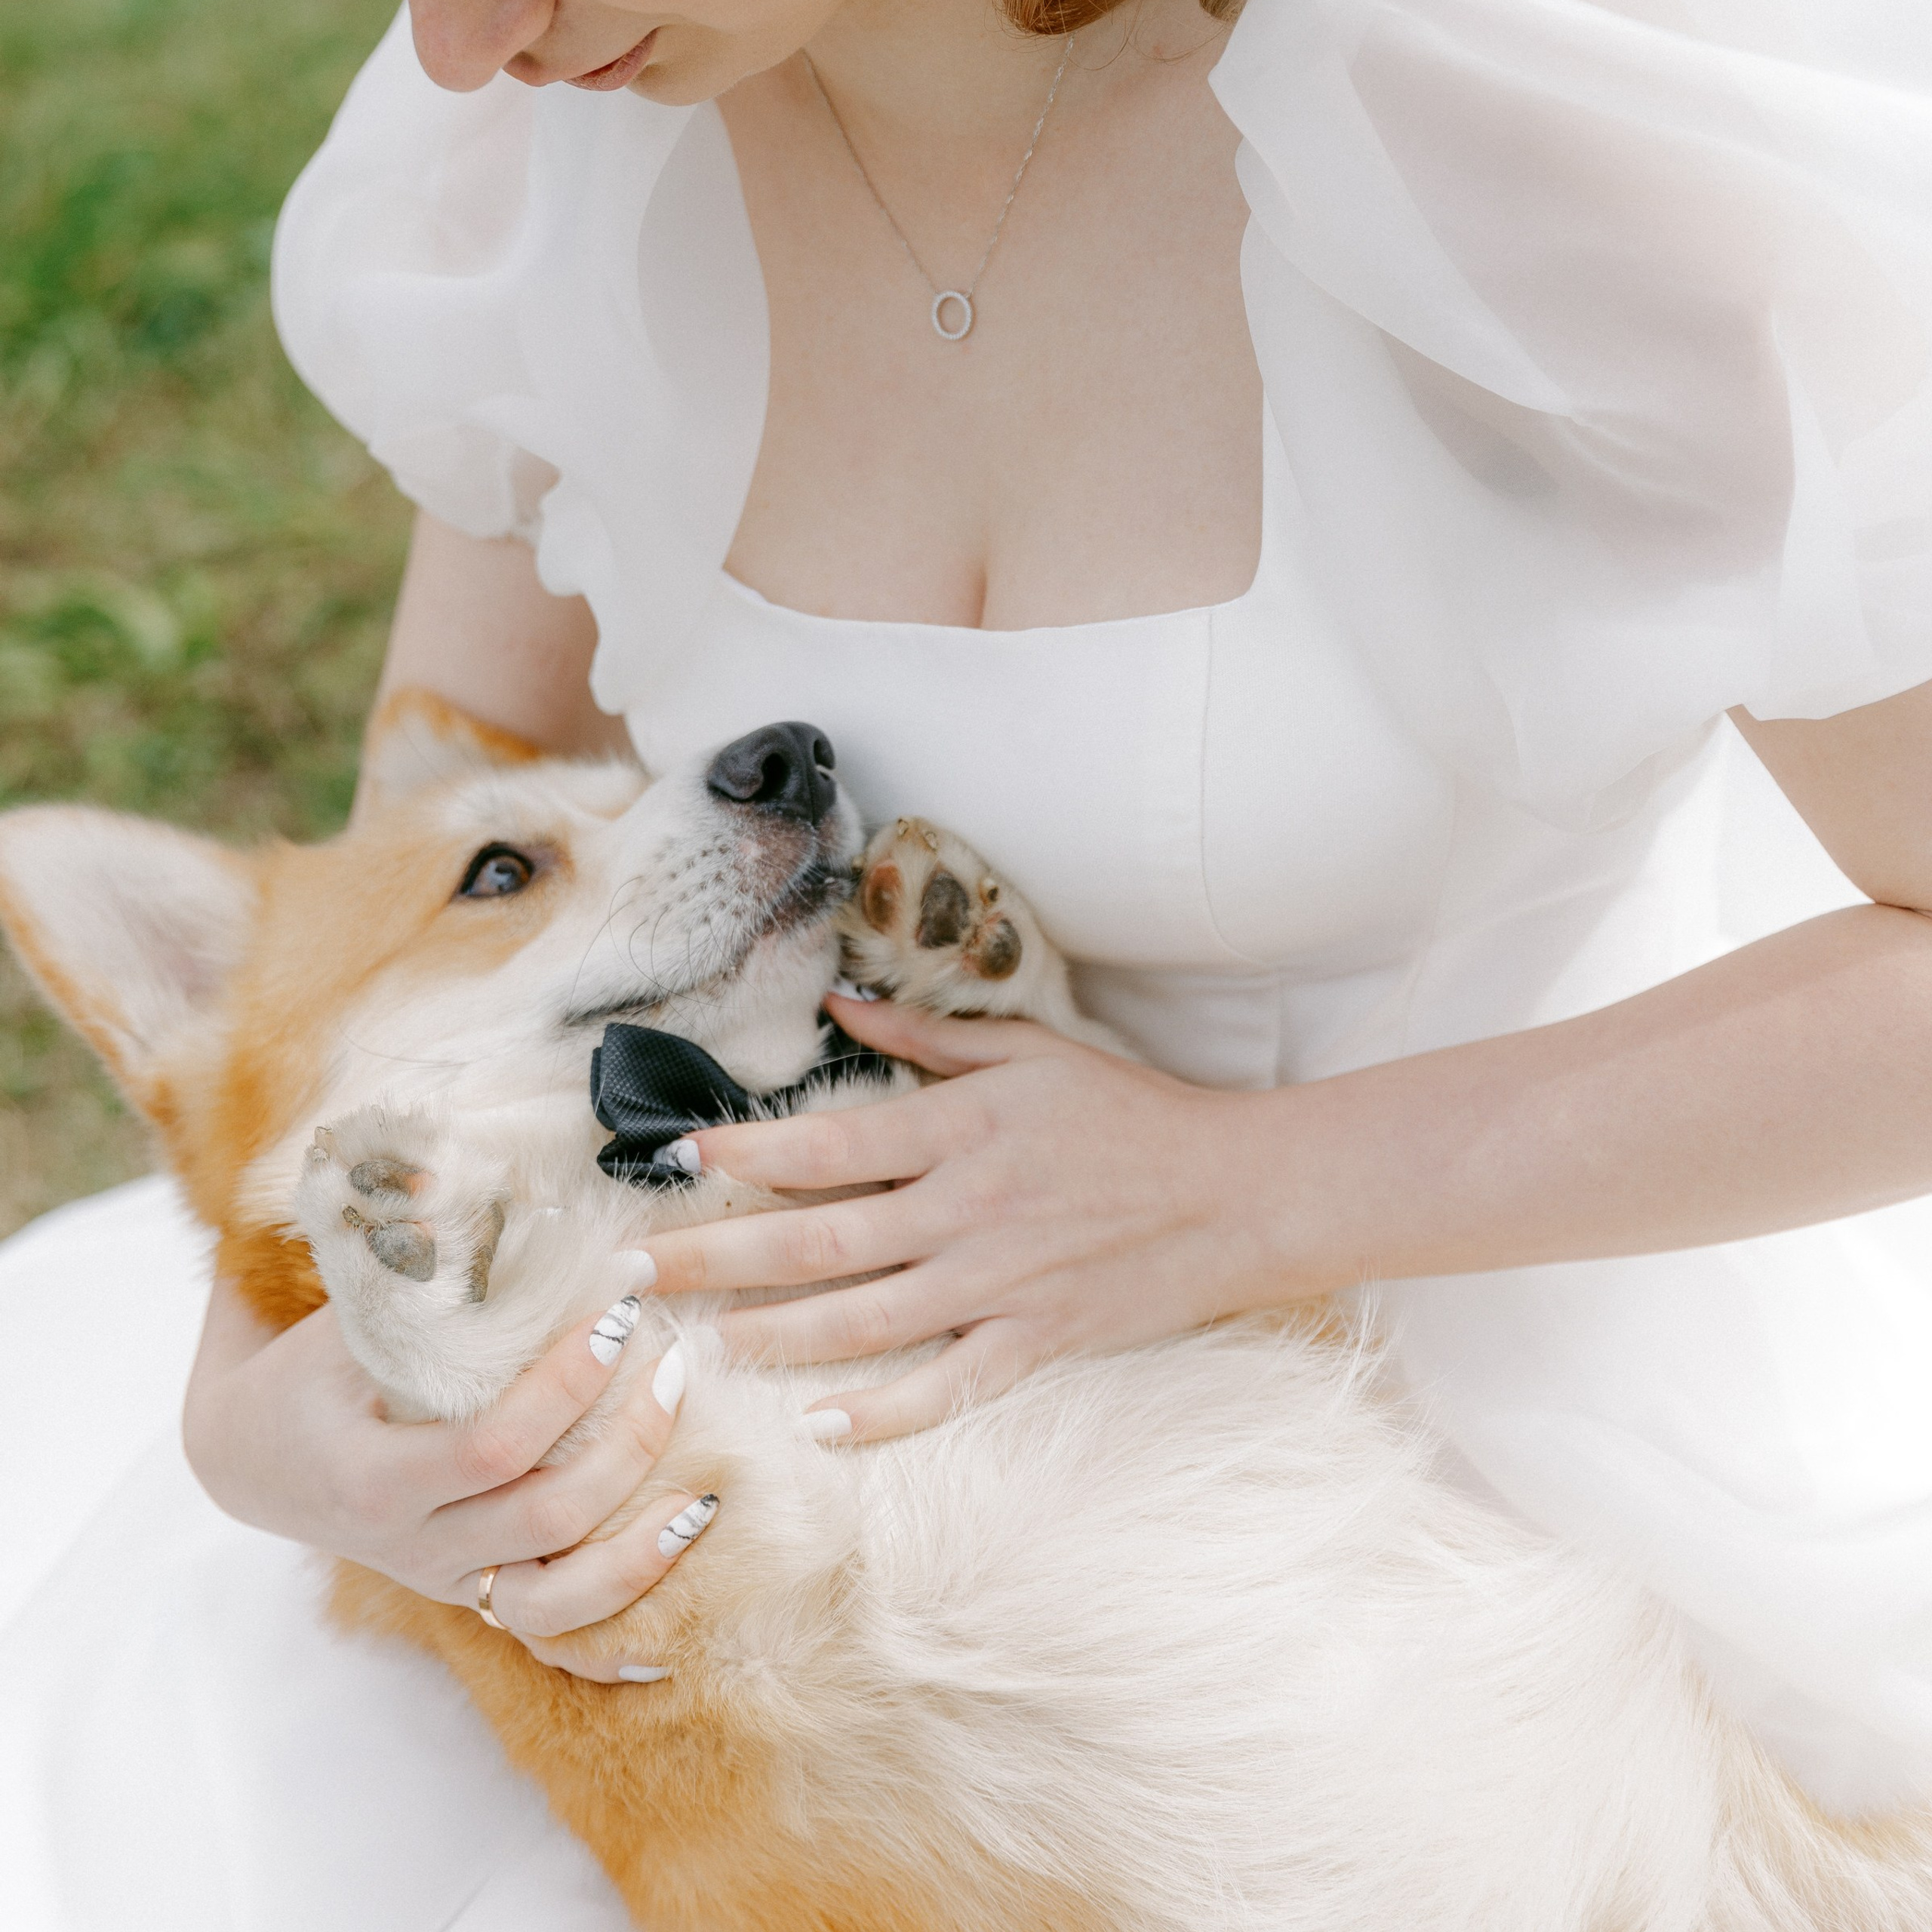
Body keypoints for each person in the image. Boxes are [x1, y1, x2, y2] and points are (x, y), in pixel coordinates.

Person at [7, 0, 1932, 1919]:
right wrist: (255, 1416)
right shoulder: (541, 147)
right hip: (802, 1496)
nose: (456, 44)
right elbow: (394, 922)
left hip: (1544, 1314)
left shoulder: (1530, 126)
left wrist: (1244, 1191)